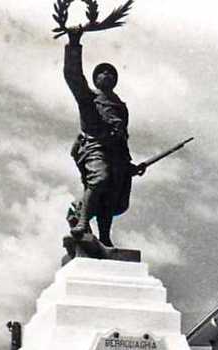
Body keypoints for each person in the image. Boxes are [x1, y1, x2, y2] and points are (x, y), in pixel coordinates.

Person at [63, 27, 145, 247]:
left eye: (111, 73)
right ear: (96, 78)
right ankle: (81, 221)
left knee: (111, 194)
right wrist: (74, 42)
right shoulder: (89, 98)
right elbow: (73, 76)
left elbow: (122, 138)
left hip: (116, 153)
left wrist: (130, 166)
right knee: (99, 179)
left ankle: (105, 235)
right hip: (93, 145)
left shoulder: (121, 107)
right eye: (102, 72)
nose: (107, 74)